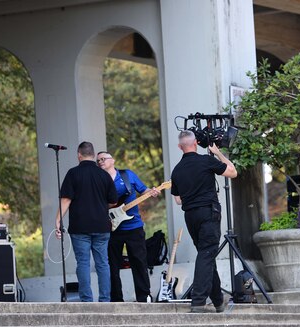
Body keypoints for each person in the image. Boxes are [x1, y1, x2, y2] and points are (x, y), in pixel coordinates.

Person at [170, 131, 237, 313]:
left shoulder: (176, 170)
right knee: (206, 254)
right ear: (195, 143)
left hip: (191, 215)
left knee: (206, 255)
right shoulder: (206, 161)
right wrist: (218, 153)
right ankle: (198, 301)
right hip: (208, 212)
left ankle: (217, 301)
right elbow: (232, 172)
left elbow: (178, 200)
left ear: (180, 147)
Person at [56, 141, 118, 302]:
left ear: (79, 155)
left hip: (80, 227)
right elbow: (113, 200)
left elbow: (66, 200)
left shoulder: (73, 174)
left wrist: (58, 220)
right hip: (102, 226)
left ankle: (86, 300)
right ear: (93, 155)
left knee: (83, 263)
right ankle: (105, 300)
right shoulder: (104, 175)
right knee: (103, 264)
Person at [97, 151, 161, 302]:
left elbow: (143, 190)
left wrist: (152, 192)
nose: (100, 162)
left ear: (112, 161)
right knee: (112, 265)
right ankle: (116, 299)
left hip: (133, 227)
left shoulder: (128, 175)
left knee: (139, 262)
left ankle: (144, 296)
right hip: (111, 228)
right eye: (98, 160)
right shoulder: (99, 180)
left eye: (103, 159)